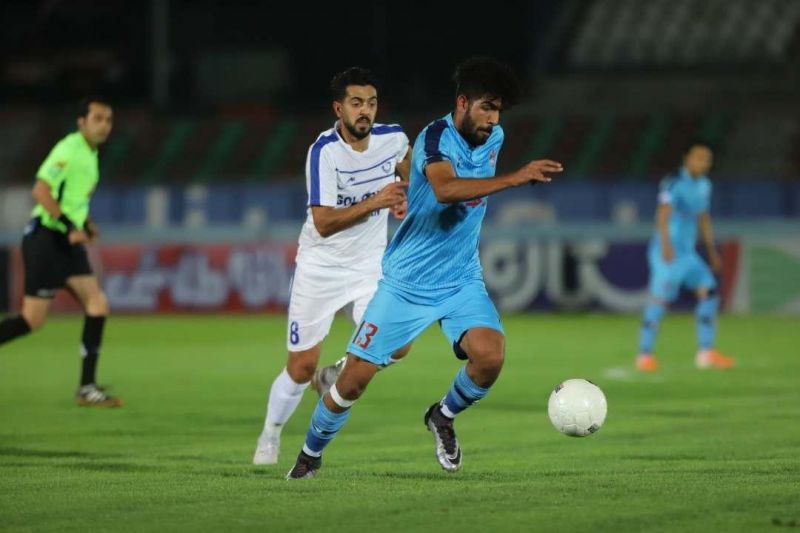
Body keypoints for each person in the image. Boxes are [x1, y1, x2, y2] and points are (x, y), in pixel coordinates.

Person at [286, 56, 563, 479]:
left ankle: (442, 416)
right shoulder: (435, 137)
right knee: (353, 382)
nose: (493, 119)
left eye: (499, 110)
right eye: (487, 108)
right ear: (462, 102)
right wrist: (515, 178)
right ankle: (310, 455)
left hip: (461, 279)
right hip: (406, 283)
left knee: (490, 357)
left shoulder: (494, 135)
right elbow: (445, 188)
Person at [253, 67, 412, 465]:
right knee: (300, 366)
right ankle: (270, 434)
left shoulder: (393, 139)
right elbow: (323, 222)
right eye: (356, 103)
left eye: (371, 103)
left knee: (397, 342)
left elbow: (411, 177)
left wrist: (406, 198)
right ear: (338, 109)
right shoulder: (323, 151)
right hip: (320, 268)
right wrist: (377, 201)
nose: (365, 111)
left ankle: (337, 372)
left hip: (369, 268)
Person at [0, 97, 122, 407]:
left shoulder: (91, 155)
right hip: (46, 240)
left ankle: (87, 388)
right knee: (31, 320)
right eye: (97, 119)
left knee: (97, 304)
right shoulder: (68, 149)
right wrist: (69, 226)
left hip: (68, 243)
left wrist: (86, 224)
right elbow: (40, 190)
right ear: (81, 122)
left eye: (108, 120)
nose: (104, 125)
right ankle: (86, 387)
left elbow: (73, 200)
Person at [636, 141, 734, 372]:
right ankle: (644, 355)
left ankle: (706, 352)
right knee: (660, 302)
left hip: (688, 255)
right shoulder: (673, 182)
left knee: (709, 292)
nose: (703, 163)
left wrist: (711, 251)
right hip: (667, 252)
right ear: (686, 158)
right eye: (699, 157)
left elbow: (703, 218)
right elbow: (663, 215)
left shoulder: (705, 185)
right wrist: (666, 246)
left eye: (707, 159)